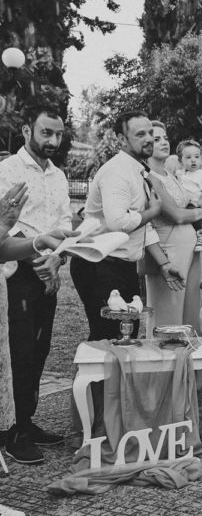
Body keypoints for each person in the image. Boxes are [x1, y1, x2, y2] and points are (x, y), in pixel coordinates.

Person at [70, 111, 186, 343]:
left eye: (151, 133)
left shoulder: (138, 170)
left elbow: (142, 226)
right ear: (122, 139)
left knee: (126, 335)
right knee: (108, 339)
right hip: (99, 264)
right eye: (140, 134)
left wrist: (164, 264)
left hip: (122, 265)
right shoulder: (117, 171)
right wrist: (153, 211)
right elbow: (119, 222)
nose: (149, 139)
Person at [0, 105, 71, 464]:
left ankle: (26, 421)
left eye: (58, 134)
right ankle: (11, 432)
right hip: (17, 271)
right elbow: (5, 226)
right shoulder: (7, 170)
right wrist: (38, 257)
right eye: (46, 132)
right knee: (19, 351)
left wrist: (57, 259)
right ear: (27, 130)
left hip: (50, 270)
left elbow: (65, 223)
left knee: (40, 348)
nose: (53, 141)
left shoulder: (59, 176)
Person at [143, 122, 202, 331]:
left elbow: (189, 203)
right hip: (168, 249)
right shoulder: (149, 177)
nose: (164, 142)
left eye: (165, 138)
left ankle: (185, 352)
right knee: (167, 315)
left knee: (188, 313)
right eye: (156, 139)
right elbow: (176, 215)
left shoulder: (171, 175)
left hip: (189, 249)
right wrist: (200, 212)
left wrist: (198, 208)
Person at [176, 139, 202, 251]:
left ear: (201, 159)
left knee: (196, 217)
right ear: (181, 160)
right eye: (188, 157)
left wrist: (199, 203)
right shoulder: (181, 174)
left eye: (197, 157)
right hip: (184, 206)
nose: (193, 160)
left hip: (197, 205)